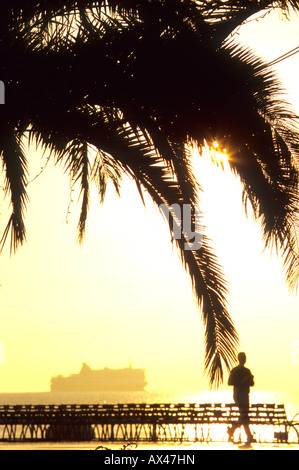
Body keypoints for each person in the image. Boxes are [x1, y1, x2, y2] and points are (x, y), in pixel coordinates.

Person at [227, 352, 255, 444]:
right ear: (240, 359)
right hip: (239, 395)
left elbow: (252, 384)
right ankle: (248, 435)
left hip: (244, 395)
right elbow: (230, 382)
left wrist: (250, 380)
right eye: (243, 357)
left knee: (244, 415)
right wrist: (243, 381)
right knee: (244, 415)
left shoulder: (247, 371)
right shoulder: (235, 370)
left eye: (245, 357)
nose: (245, 359)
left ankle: (234, 430)